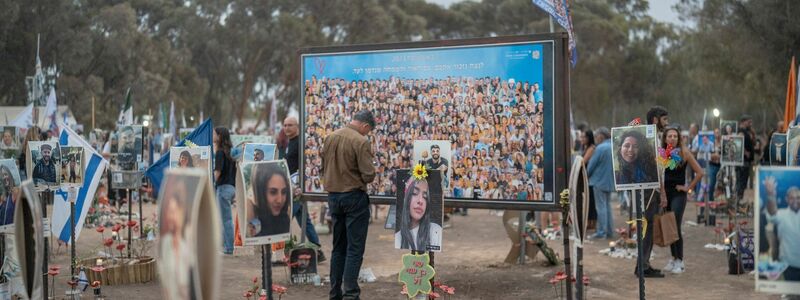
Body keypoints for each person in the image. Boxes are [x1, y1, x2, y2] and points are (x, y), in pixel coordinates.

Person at [321, 110, 376, 300]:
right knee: (354, 249)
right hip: (353, 197)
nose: (366, 134)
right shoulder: (361, 141)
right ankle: (351, 294)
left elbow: (323, 166)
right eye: (367, 131)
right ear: (365, 126)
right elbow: (368, 175)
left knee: (338, 248)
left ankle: (335, 293)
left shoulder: (330, 137)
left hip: (333, 197)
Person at [278, 116, 325, 262]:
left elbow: (304, 166)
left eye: (290, 125)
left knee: (283, 219)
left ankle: (283, 252)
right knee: (304, 219)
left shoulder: (300, 143)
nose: (286, 128)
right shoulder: (289, 142)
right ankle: (317, 250)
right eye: (285, 125)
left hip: (297, 188)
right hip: (290, 186)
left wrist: (300, 185)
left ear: (297, 126)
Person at [661, 127, 705, 274]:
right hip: (665, 194)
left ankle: (680, 261)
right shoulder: (662, 153)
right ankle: (673, 258)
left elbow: (700, 172)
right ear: (665, 139)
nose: (672, 138)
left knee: (675, 224)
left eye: (675, 136)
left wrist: (688, 188)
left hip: (678, 194)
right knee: (668, 226)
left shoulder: (684, 152)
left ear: (678, 138)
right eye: (669, 136)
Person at [635, 105, 671, 278]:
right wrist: (661, 191)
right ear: (655, 120)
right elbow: (656, 169)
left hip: (653, 187)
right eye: (664, 119)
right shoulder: (648, 138)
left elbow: (661, 166)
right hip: (650, 189)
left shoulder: (655, 137)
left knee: (648, 227)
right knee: (647, 227)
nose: (667, 123)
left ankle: (643, 263)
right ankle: (642, 265)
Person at [158, 182, 195, 300]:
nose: (171, 217)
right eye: (170, 212)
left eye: (174, 212)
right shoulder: (166, 242)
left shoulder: (190, 238)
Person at [762, 177, 800, 281]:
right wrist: (770, 195)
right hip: (788, 266)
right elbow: (772, 213)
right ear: (787, 199)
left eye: (798, 197)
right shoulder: (782, 214)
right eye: (792, 198)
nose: (795, 200)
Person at [395, 177, 443, 251]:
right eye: (414, 193)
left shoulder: (436, 231)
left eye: (425, 197)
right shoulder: (398, 238)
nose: (420, 201)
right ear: (406, 199)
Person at [247, 162, 291, 237]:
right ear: (259, 191)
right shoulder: (251, 210)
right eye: (273, 192)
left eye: (284, 192)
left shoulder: (284, 216)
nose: (279, 200)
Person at [586, 127, 614, 239]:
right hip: (610, 181)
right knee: (607, 206)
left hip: (599, 181)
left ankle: (601, 232)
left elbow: (591, 166)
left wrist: (586, 175)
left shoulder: (600, 148)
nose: (595, 139)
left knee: (601, 207)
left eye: (596, 136)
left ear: (601, 136)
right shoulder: (613, 146)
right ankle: (609, 231)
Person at [213, 127, 237, 254]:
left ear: (220, 136)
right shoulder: (230, 152)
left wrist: (211, 183)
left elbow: (217, 172)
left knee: (226, 220)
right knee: (224, 219)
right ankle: (224, 246)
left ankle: (229, 248)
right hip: (231, 187)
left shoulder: (219, 153)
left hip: (223, 188)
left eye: (214, 133)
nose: (212, 135)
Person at [581, 128, 598, 231]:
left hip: (590, 178)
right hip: (586, 177)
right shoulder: (586, 147)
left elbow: (584, 161)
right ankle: (589, 222)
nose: (582, 139)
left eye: (584, 137)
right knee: (588, 201)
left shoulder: (591, 148)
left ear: (589, 137)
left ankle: (592, 223)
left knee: (591, 201)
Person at [737, 115, 755, 200]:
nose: (750, 124)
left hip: (747, 161)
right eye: (749, 122)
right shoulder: (741, 131)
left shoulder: (747, 132)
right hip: (743, 161)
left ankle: (739, 199)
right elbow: (739, 142)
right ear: (743, 122)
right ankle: (738, 200)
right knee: (741, 182)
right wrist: (745, 152)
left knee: (743, 182)